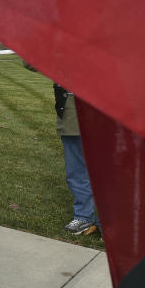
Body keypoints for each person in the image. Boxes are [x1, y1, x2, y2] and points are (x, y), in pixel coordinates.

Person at [54, 84, 99, 235]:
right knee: (77, 171)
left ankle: (110, 221)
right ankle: (84, 216)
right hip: (72, 114)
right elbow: (31, 62)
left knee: (108, 170)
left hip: (103, 110)